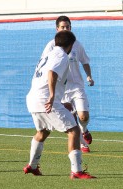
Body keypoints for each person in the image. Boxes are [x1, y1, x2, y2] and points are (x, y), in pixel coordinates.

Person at [23, 30, 96, 179]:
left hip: (33, 99)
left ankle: (32, 166)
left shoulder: (48, 54)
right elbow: (52, 74)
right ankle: (77, 171)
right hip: (45, 99)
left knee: (43, 132)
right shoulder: (61, 55)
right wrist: (51, 96)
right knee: (74, 131)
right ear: (70, 45)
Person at [41, 16, 94, 153]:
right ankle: (82, 144)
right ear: (57, 29)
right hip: (62, 89)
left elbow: (85, 61)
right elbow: (46, 67)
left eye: (68, 27)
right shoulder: (51, 46)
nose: (65, 29)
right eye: (63, 27)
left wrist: (89, 76)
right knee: (71, 119)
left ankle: (84, 130)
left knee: (83, 116)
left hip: (77, 87)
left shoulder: (76, 44)